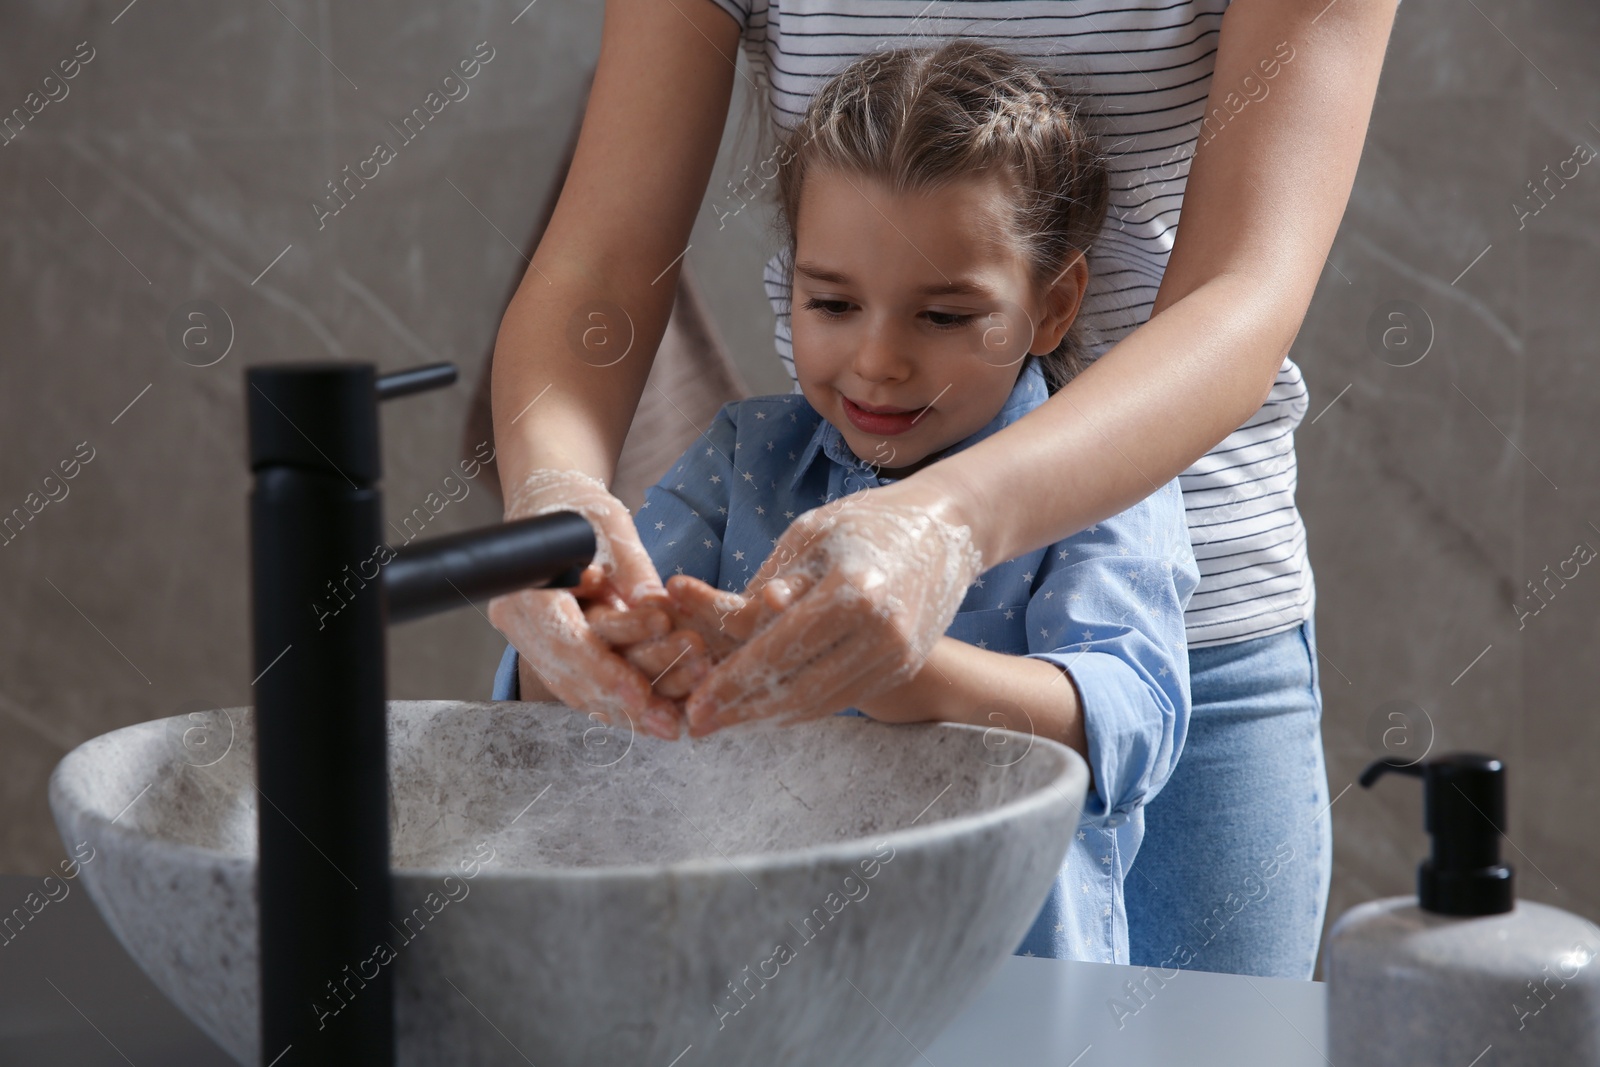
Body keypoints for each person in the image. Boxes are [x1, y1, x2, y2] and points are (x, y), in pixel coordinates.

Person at [485, 0, 1401, 979]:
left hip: (1205, 628)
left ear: (1054, 305)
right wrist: (560, 545)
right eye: (831, 301)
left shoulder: (1120, 526)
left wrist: (942, 540)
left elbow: (1244, 289)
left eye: (945, 312)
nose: (876, 359)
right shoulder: (746, 460)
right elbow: (603, 263)